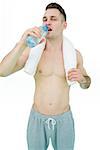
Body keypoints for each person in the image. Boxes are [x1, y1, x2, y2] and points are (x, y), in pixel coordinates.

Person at [0, 2, 91, 150]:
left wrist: (82, 79)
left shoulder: (75, 55)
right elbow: (2, 71)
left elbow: (87, 84)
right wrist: (22, 43)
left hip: (64, 120)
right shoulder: (33, 51)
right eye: (45, 19)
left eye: (53, 18)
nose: (47, 22)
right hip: (37, 119)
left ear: (64, 25)